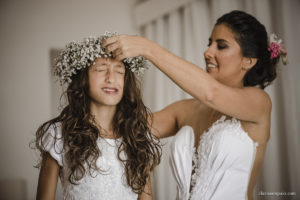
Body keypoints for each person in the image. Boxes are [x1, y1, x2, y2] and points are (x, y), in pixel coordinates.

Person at [102, 10, 287, 200]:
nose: (207, 52)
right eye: (210, 44)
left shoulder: (259, 103)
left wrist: (148, 48)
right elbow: (126, 128)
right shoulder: (185, 109)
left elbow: (211, 93)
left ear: (248, 61)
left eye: (221, 46)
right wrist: (106, 82)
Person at [33, 33, 161, 200]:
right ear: (83, 78)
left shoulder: (137, 135)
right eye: (101, 69)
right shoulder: (58, 134)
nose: (111, 78)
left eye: (119, 71)